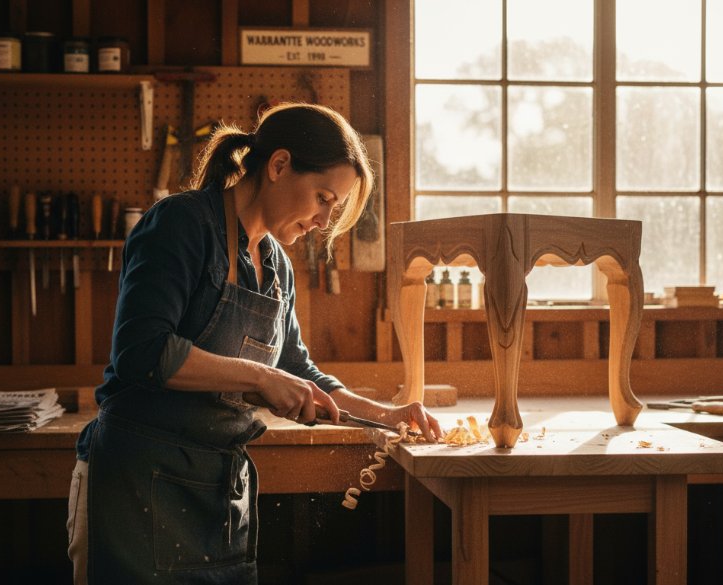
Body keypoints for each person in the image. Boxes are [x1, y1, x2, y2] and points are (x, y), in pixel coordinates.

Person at [66, 102, 443, 584]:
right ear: (279, 165)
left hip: (217, 491)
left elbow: (299, 370)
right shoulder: (181, 225)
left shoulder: (276, 266)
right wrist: (263, 378)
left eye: (335, 206)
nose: (325, 220)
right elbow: (141, 351)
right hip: (138, 483)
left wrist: (386, 415)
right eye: (324, 197)